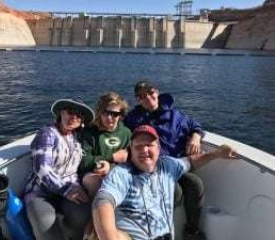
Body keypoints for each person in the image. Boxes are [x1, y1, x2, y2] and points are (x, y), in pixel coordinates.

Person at [93, 125, 237, 240]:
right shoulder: (122, 173)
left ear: (159, 148)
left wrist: (217, 154)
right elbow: (103, 202)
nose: (144, 150)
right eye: (138, 146)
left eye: (149, 145)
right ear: (131, 150)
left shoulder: (168, 165)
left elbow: (191, 161)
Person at [124, 81, 206, 240]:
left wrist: (196, 137)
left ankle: (191, 230)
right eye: (141, 96)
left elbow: (195, 125)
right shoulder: (134, 118)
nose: (147, 97)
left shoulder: (176, 116)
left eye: (150, 92)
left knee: (196, 184)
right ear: (138, 100)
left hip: (175, 166)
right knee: (175, 191)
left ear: (157, 92)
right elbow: (118, 129)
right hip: (149, 169)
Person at [23, 98, 95, 240]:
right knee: (46, 223)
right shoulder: (46, 133)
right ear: (62, 113)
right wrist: (66, 190)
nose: (74, 117)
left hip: (71, 188)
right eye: (70, 112)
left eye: (79, 115)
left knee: (84, 215)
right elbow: (42, 168)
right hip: (41, 192)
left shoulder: (77, 137)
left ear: (81, 121)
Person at [78, 92, 131, 240]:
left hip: (115, 174)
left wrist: (112, 166)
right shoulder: (90, 133)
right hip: (91, 174)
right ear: (100, 113)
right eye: (106, 113)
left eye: (115, 114)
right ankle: (96, 226)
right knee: (98, 182)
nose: (110, 118)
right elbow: (83, 162)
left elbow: (130, 160)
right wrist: (111, 158)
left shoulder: (126, 133)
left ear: (121, 115)